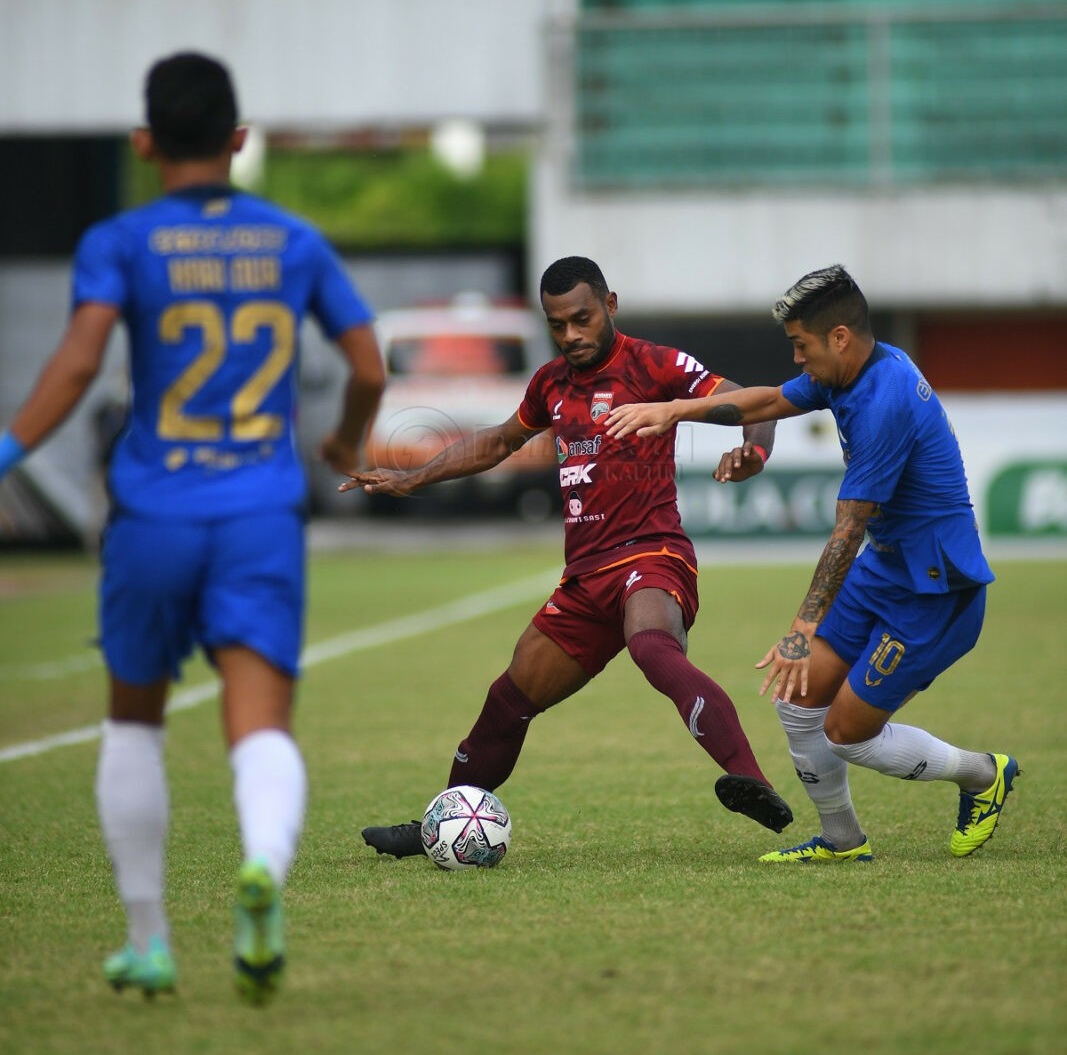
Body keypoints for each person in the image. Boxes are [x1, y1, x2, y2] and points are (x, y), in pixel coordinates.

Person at [0, 52, 385, 997]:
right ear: (239, 141)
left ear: (143, 143)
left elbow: (80, 363)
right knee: (259, 720)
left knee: (133, 719)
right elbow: (368, 365)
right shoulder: (291, 240)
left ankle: (150, 939)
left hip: (152, 513)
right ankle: (261, 865)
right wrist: (342, 444)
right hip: (258, 510)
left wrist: (5, 454)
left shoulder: (119, 241)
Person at [342, 255, 793, 859]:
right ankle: (439, 827)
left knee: (651, 646)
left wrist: (753, 453)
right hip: (584, 580)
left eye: (582, 319)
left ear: (610, 304)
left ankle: (753, 783)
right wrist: (411, 477)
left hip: (651, 555)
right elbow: (500, 442)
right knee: (509, 698)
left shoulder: (652, 364)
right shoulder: (550, 382)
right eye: (558, 325)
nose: (572, 335)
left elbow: (746, 399)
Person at [605, 263, 1018, 864]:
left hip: (935, 589)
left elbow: (847, 529)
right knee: (798, 701)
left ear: (840, 338)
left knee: (846, 734)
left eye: (801, 345)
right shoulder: (848, 372)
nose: (797, 359)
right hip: (886, 568)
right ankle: (843, 840)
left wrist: (801, 629)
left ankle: (983, 774)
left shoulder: (886, 401)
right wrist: (674, 410)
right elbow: (769, 399)